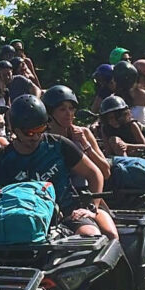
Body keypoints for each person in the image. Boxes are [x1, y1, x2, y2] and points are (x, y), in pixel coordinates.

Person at [0, 95, 106, 237]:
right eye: (29, 132)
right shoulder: (2, 160)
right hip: (23, 219)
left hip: (68, 214)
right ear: (15, 129)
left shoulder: (59, 144)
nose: (35, 137)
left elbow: (94, 173)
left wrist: (92, 208)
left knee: (90, 234)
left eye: (40, 129)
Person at [44, 85, 118, 239]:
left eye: (71, 108)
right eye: (62, 109)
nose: (68, 114)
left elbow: (105, 172)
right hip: (55, 199)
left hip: (85, 197)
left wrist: (85, 145)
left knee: (110, 234)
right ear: (50, 113)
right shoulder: (43, 139)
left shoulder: (84, 133)